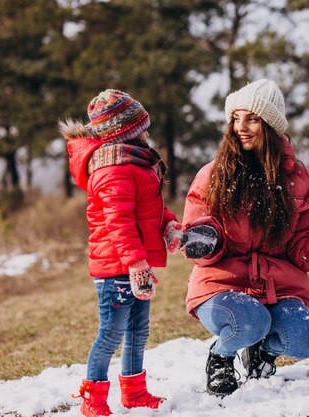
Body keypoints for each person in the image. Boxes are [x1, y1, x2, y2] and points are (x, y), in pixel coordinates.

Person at [180, 79, 309, 397]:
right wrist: (205, 240)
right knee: (249, 320)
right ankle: (221, 358)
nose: (241, 127)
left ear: (271, 125)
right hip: (221, 285)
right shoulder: (213, 175)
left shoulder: (302, 181)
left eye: (252, 119)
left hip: (279, 289)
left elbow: (302, 246)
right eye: (236, 118)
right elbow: (198, 225)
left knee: (305, 338)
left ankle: (262, 353)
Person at [59, 89, 183, 416]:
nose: (147, 132)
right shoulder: (113, 168)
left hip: (131, 264)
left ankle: (134, 392)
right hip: (117, 268)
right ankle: (93, 399)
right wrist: (138, 264)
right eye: (142, 127)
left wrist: (169, 225)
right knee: (111, 333)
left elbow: (149, 209)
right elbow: (120, 224)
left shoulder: (134, 163)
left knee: (137, 332)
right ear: (126, 132)